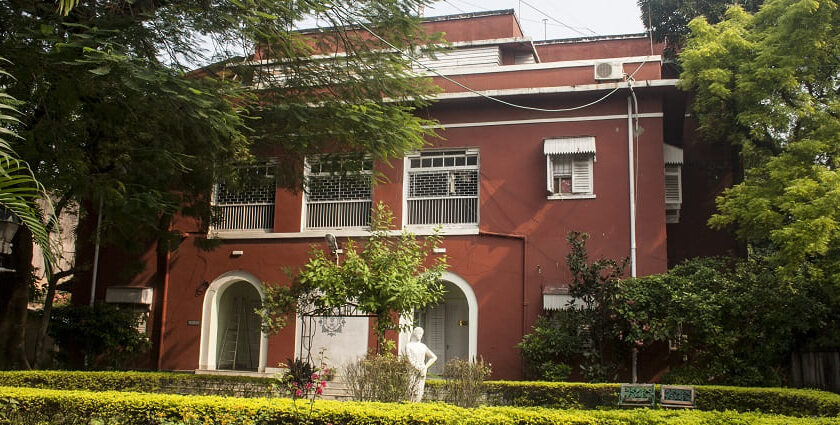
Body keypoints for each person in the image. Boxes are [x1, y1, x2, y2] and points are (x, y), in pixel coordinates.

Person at [404, 326, 437, 402]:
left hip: (422, 371)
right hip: (412, 371)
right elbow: (410, 359)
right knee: (411, 389)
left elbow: (434, 357)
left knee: (419, 390)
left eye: (422, 333)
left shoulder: (423, 346)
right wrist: (419, 368)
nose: (420, 335)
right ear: (414, 333)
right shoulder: (409, 345)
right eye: (419, 333)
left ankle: (417, 405)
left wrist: (425, 367)